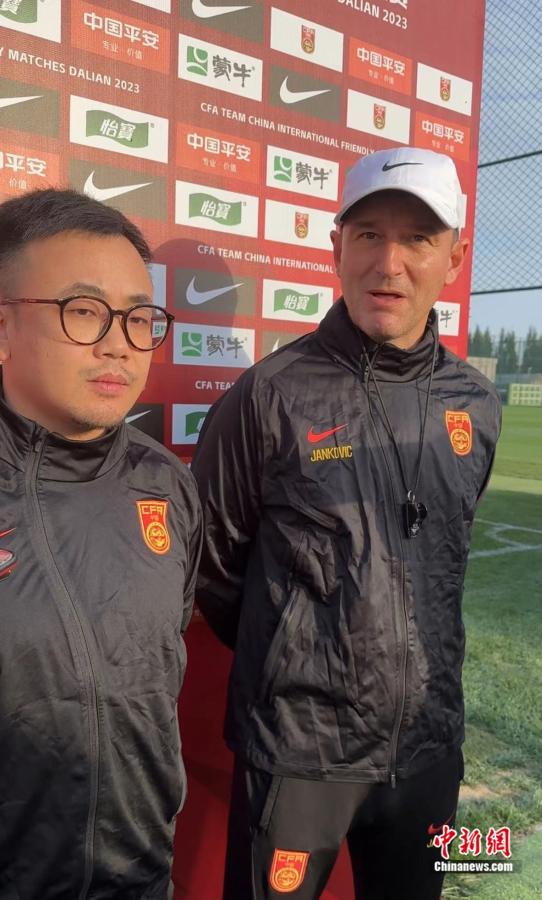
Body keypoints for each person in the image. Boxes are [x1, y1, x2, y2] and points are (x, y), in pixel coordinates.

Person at [191, 147, 502, 900]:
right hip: (299, 753)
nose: (388, 264)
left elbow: (442, 558)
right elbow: (215, 569)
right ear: (336, 248)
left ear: (454, 259)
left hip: (431, 745)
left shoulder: (476, 403)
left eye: (417, 238)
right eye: (368, 235)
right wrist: (300, 654)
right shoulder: (268, 395)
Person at [0, 189, 202, 899]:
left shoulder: (168, 486)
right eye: (84, 311)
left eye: (138, 318)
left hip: (141, 879)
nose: (119, 343)